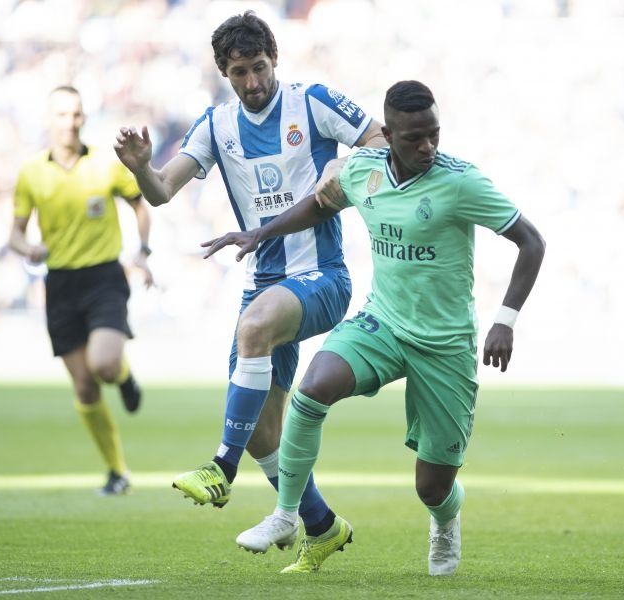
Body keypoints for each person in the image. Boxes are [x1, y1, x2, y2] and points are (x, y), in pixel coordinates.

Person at [203, 80, 546, 575]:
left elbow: (531, 241)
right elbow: (321, 204)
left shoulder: (461, 182)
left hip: (444, 344)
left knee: (432, 486)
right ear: (389, 134)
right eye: (414, 138)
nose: (427, 146)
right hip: (382, 323)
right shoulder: (363, 170)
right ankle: (286, 515)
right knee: (312, 389)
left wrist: (505, 321)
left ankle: (445, 519)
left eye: (434, 134)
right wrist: (262, 232)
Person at [113, 11, 386, 548]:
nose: (253, 82)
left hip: (322, 275)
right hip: (263, 284)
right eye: (239, 72)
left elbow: (379, 137)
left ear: (274, 59)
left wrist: (344, 167)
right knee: (263, 431)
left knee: (254, 327)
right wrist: (141, 167)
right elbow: (161, 191)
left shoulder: (312, 102)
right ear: (225, 72)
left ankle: (221, 467)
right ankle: (322, 525)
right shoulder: (217, 125)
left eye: (259, 67)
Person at [9, 85, 153, 496]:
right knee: (85, 387)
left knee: (103, 364)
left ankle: (122, 375)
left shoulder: (106, 164)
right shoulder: (31, 172)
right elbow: (14, 234)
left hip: (104, 278)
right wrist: (28, 248)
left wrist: (142, 252)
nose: (69, 122)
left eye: (75, 114)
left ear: (84, 118)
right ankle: (117, 471)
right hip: (60, 284)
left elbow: (141, 206)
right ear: (48, 119)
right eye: (61, 114)